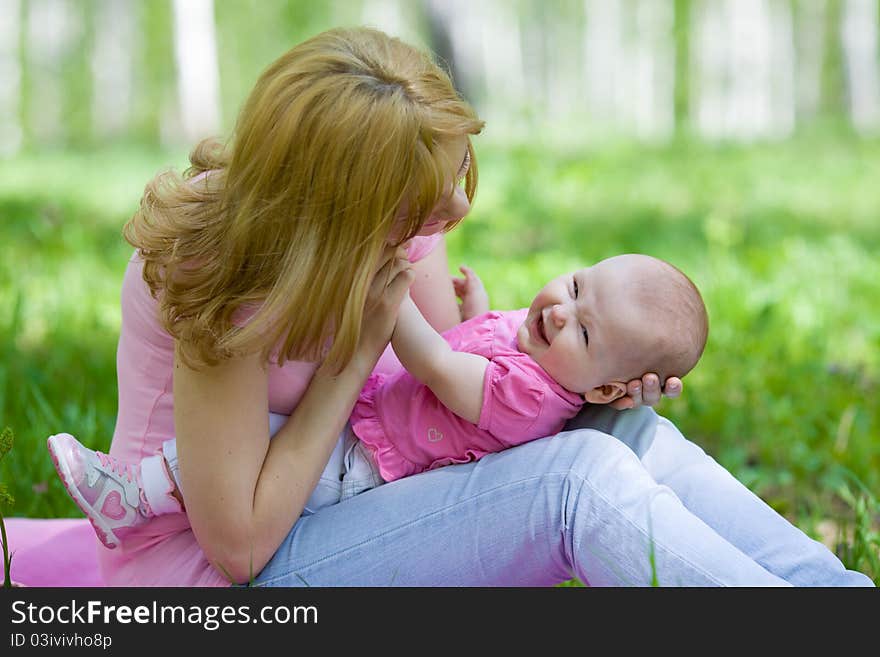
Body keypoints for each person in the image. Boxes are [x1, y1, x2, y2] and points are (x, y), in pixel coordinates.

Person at [47, 26, 873, 586]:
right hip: (216, 572)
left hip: (361, 488)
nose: (452, 213)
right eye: (424, 203)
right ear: (342, 201)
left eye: (454, 176)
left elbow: (456, 413)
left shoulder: (395, 210)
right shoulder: (221, 264)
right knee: (574, 485)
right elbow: (240, 546)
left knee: (619, 432)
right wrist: (359, 353)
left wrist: (580, 387)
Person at [51, 252, 711, 535]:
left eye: (586, 329)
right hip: (367, 424)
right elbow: (494, 334)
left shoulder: (532, 398)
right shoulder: (548, 348)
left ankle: (130, 498)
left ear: (598, 385)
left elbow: (435, 362)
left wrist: (387, 297)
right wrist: (481, 308)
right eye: (574, 285)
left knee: (247, 459)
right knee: (260, 432)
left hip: (363, 465)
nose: (560, 310)